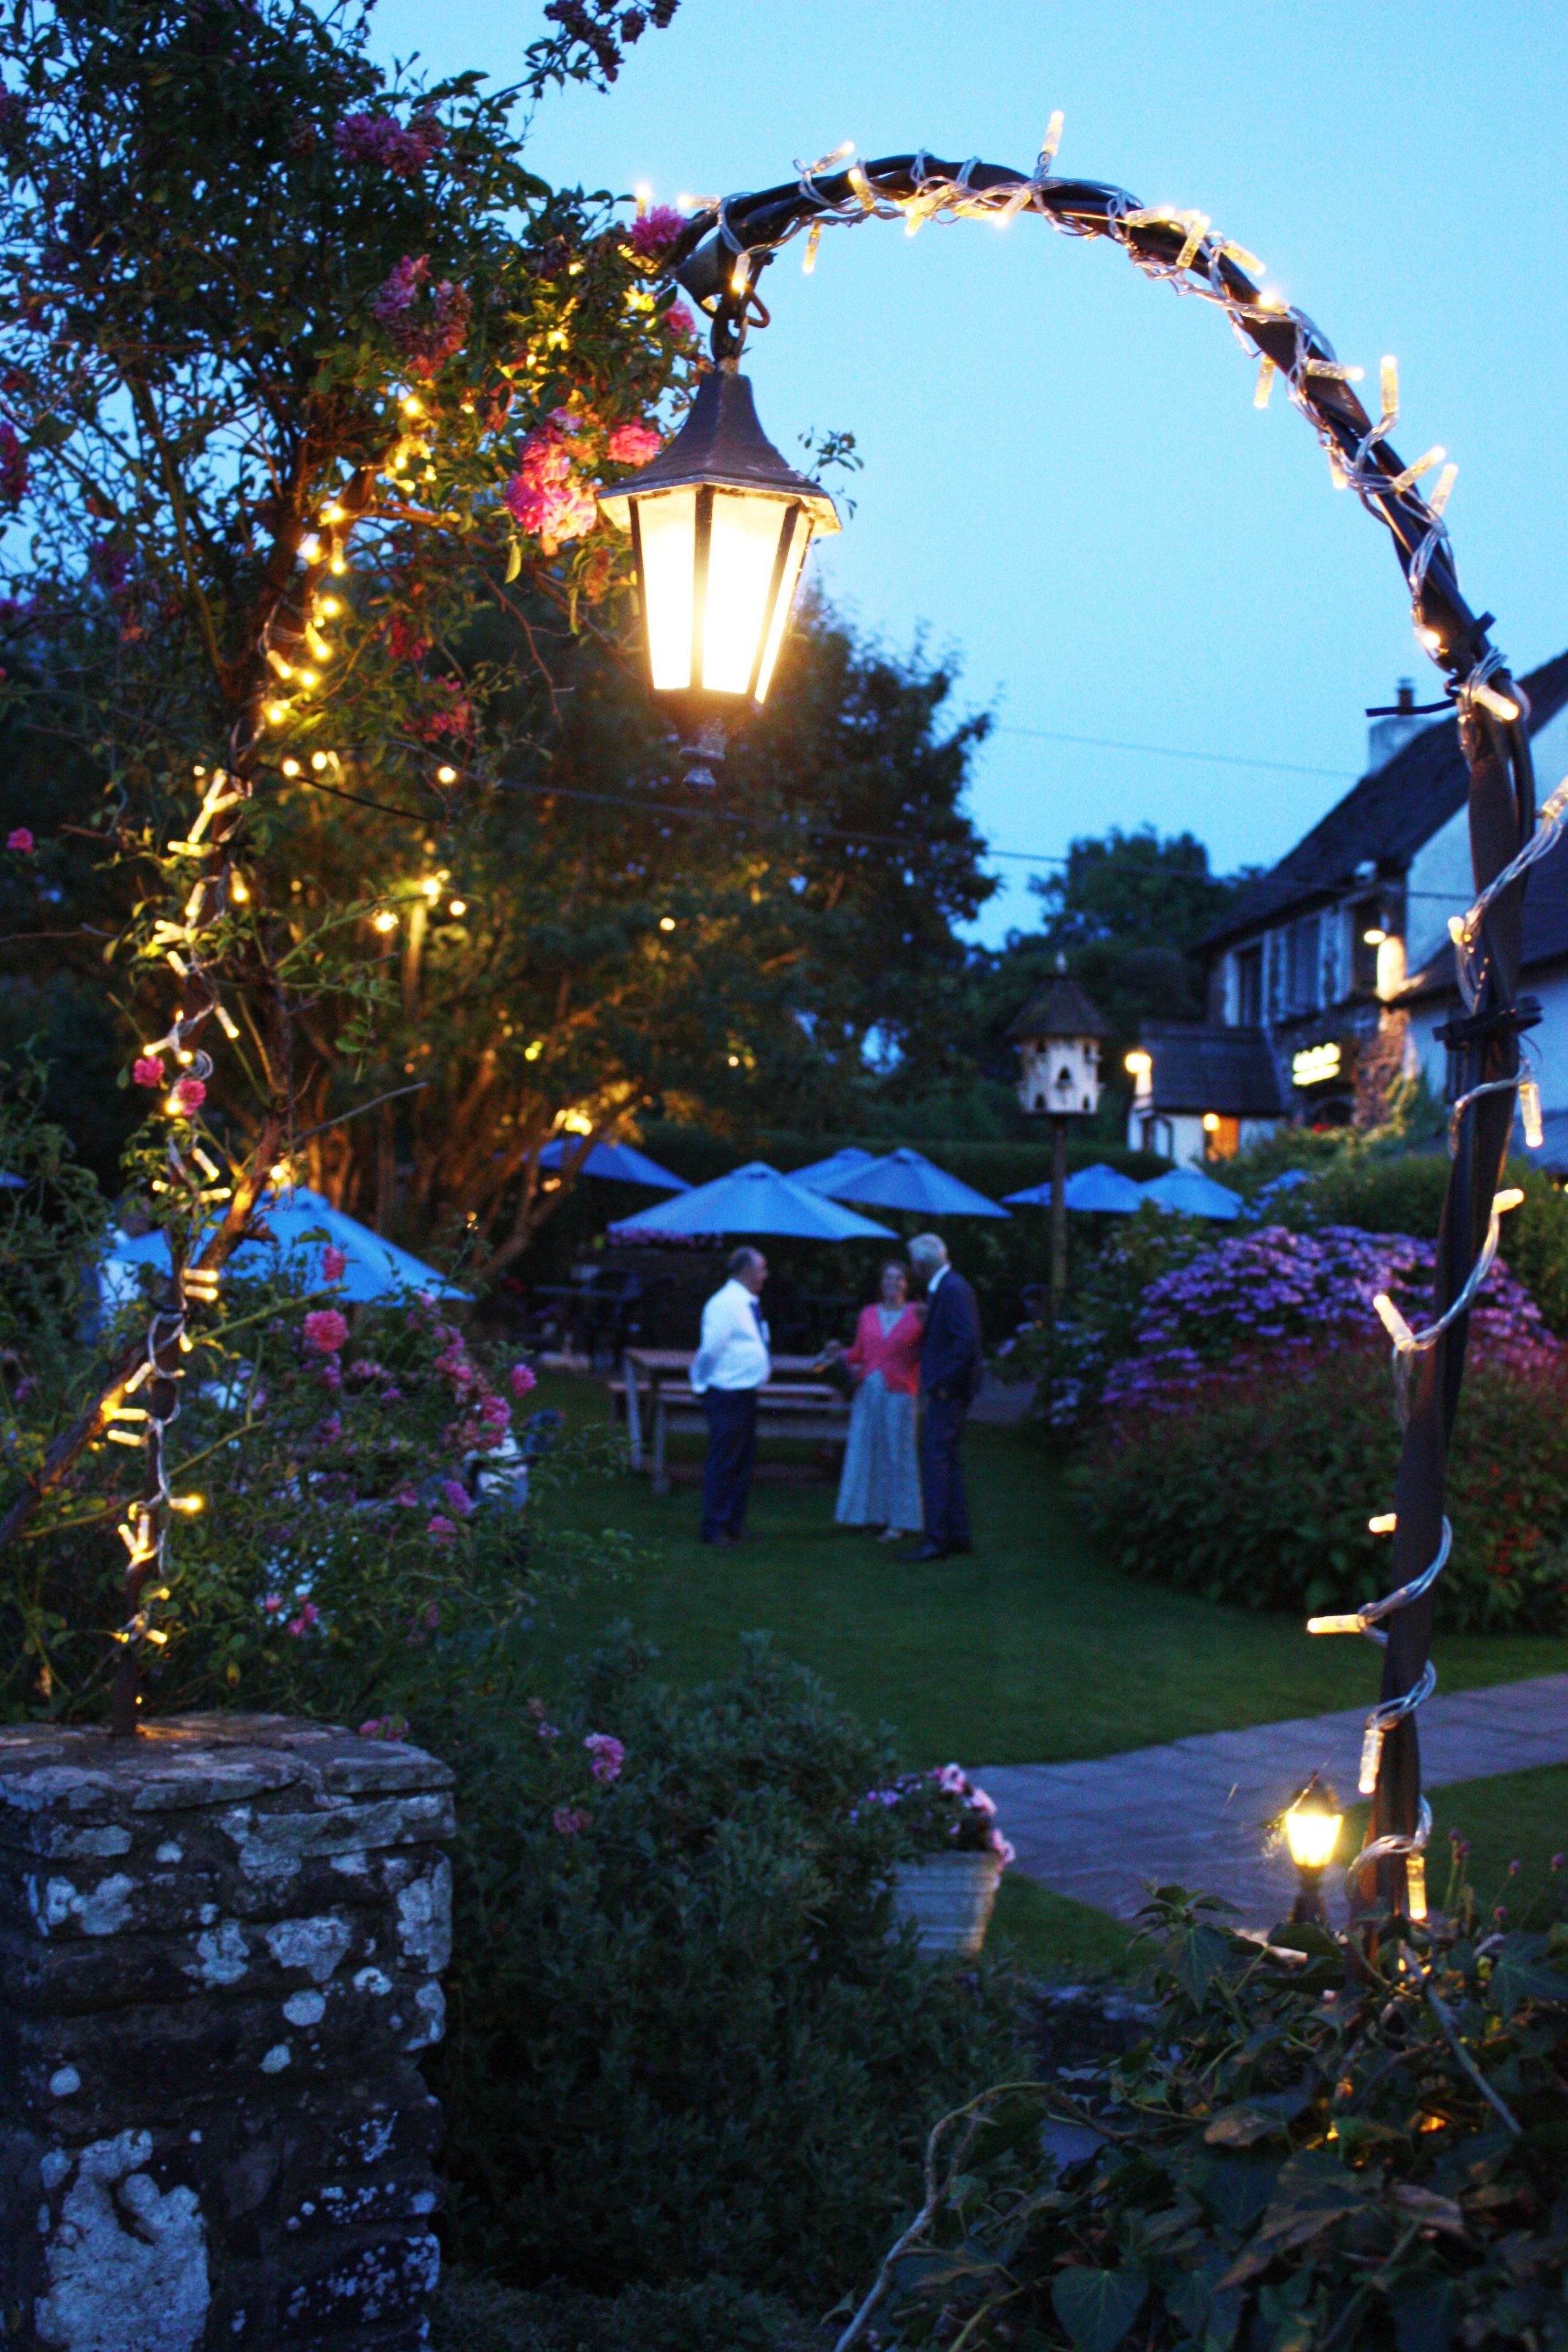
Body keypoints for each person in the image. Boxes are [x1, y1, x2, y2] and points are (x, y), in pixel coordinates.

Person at [827, 1259, 924, 1542]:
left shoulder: (917, 1314)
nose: (892, 1284)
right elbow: (859, 1352)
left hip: (899, 1390)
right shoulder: (868, 1314)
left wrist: (904, 1349)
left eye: (898, 1279)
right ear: (881, 1283)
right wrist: (838, 1354)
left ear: (906, 1283)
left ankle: (899, 1521)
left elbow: (916, 1348)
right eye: (887, 1278)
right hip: (869, 1390)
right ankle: (868, 1515)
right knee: (867, 1453)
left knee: (898, 1454)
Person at [907, 1232, 982, 1560]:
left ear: (921, 1265)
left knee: (936, 1458)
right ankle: (957, 1533)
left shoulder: (951, 1290)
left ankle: (937, 1538)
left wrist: (943, 1384)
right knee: (947, 1459)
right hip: (952, 1388)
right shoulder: (949, 1288)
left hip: (949, 1391)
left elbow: (966, 1341)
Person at [689, 1245, 770, 1545]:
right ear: (746, 1271)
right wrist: (702, 1382)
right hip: (727, 1393)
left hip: (744, 1392)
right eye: (762, 1269)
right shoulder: (725, 1304)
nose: (765, 1275)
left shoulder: (747, 1303)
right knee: (725, 1461)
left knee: (741, 1462)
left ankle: (733, 1521)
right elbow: (711, 1349)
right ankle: (715, 1525)